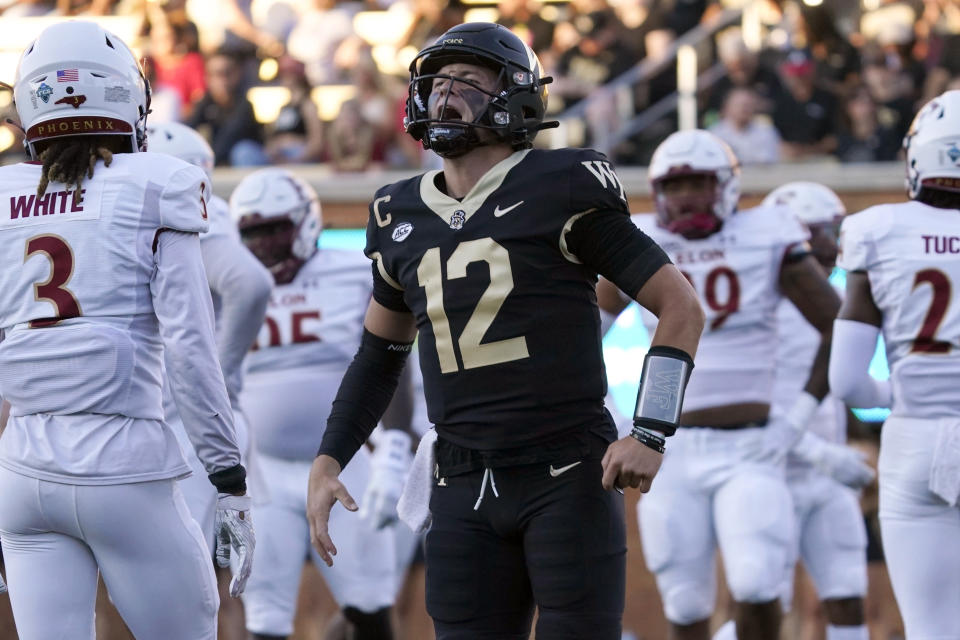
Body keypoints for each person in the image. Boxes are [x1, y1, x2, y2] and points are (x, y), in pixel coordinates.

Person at [307, 22, 705, 640]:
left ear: (516, 96)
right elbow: (381, 353)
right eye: (437, 82)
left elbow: (679, 307)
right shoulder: (397, 211)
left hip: (568, 473)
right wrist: (330, 456)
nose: (445, 95)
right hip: (460, 481)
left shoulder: (562, 183)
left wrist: (651, 432)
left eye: (467, 81)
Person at [0, 21, 253, 640]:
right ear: (124, 98)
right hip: (124, 465)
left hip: (23, 470)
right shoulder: (155, 185)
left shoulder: (4, 197)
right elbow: (192, 350)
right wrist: (228, 476)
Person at [598, 130, 872, 640]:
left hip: (749, 444)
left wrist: (796, 419)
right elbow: (584, 332)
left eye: (698, 183)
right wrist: (612, 415)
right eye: (675, 186)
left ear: (726, 184)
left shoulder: (766, 232)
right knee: (683, 598)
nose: (685, 198)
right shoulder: (637, 237)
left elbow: (838, 324)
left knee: (756, 583)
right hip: (668, 450)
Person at [231, 167, 413, 640]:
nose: (265, 244)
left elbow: (391, 360)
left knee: (369, 603)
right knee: (264, 614)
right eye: (254, 232)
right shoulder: (231, 284)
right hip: (262, 470)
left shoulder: (352, 272)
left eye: (275, 229)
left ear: (305, 222)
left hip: (346, 464)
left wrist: (395, 443)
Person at [829, 89, 960, 639]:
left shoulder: (877, 230)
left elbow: (847, 382)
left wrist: (902, 391)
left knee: (933, 630)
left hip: (915, 439)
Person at [145, 120, 272, 640]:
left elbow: (249, 283)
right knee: (210, 582)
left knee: (193, 586)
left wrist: (217, 378)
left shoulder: (174, 197)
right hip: (184, 426)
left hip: (188, 430)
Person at [764, 182, 870, 640]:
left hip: (826, 472)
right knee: (763, 604)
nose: (831, 245)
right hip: (770, 470)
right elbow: (736, 396)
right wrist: (817, 451)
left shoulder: (831, 299)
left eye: (835, 232)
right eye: (820, 234)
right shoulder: (757, 307)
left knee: (848, 594)